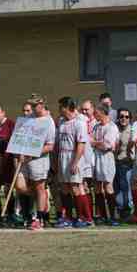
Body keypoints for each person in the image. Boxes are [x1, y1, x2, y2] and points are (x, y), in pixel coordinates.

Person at [19, 95, 55, 231]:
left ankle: (39, 218)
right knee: (21, 186)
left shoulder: (48, 121)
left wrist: (33, 152)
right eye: (31, 106)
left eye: (35, 105)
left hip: (39, 160)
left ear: (41, 104)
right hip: (26, 160)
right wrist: (21, 151)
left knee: (39, 188)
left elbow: (50, 146)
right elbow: (21, 137)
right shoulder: (29, 118)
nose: (33, 108)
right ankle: (32, 213)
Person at [56, 97, 92, 228]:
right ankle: (68, 217)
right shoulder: (61, 122)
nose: (59, 109)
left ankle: (84, 217)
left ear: (66, 107)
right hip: (62, 156)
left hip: (73, 155)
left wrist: (75, 162)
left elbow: (81, 145)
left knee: (76, 187)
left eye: (61, 107)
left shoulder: (79, 123)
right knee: (65, 187)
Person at [91, 105, 119, 225]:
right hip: (96, 158)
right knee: (97, 186)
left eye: (96, 113)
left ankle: (113, 216)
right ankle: (102, 215)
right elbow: (90, 140)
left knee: (108, 186)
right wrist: (97, 143)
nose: (94, 115)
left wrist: (95, 143)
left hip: (107, 159)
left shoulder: (111, 127)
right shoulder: (96, 126)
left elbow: (107, 145)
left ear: (103, 113)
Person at [113, 108, 134, 220]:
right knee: (116, 188)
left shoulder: (132, 130)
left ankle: (127, 210)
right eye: (121, 116)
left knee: (125, 188)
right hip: (114, 162)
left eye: (126, 117)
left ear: (130, 119)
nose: (124, 119)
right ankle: (120, 209)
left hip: (126, 163)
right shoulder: (115, 128)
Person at [78, 100, 97, 219]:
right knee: (84, 186)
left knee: (93, 187)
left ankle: (96, 213)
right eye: (83, 109)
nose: (84, 112)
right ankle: (87, 213)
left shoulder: (97, 123)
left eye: (87, 109)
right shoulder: (80, 121)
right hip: (83, 159)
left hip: (94, 159)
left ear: (93, 109)